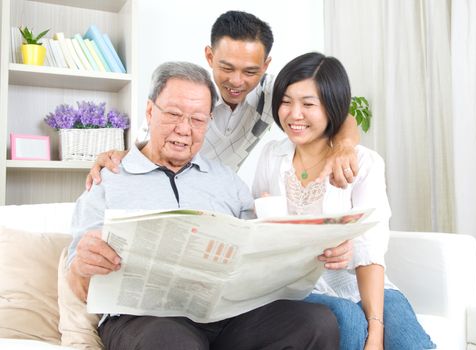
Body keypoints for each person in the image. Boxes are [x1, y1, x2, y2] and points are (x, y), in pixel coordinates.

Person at [66, 61, 341, 350]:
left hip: (227, 317)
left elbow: (263, 255)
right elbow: (79, 286)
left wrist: (317, 248)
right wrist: (81, 267)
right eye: (173, 114)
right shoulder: (107, 179)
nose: (184, 129)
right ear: (150, 111)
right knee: (172, 342)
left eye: (198, 119)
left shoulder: (228, 181)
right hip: (144, 321)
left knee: (316, 323)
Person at [252, 52, 436, 350]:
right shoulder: (272, 157)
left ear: (333, 106)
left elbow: (369, 250)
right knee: (348, 321)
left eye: (308, 104)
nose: (294, 114)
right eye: (286, 102)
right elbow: (257, 227)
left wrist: (375, 331)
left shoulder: (364, 163)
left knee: (409, 342)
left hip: (357, 284)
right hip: (298, 288)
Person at [86, 10, 361, 190]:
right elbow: (153, 144)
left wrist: (345, 146)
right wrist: (123, 157)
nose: (237, 82)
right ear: (209, 57)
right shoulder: (193, 95)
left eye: (250, 71)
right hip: (172, 183)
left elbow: (339, 115)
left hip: (218, 189)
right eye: (227, 68)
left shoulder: (277, 94)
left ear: (265, 66)